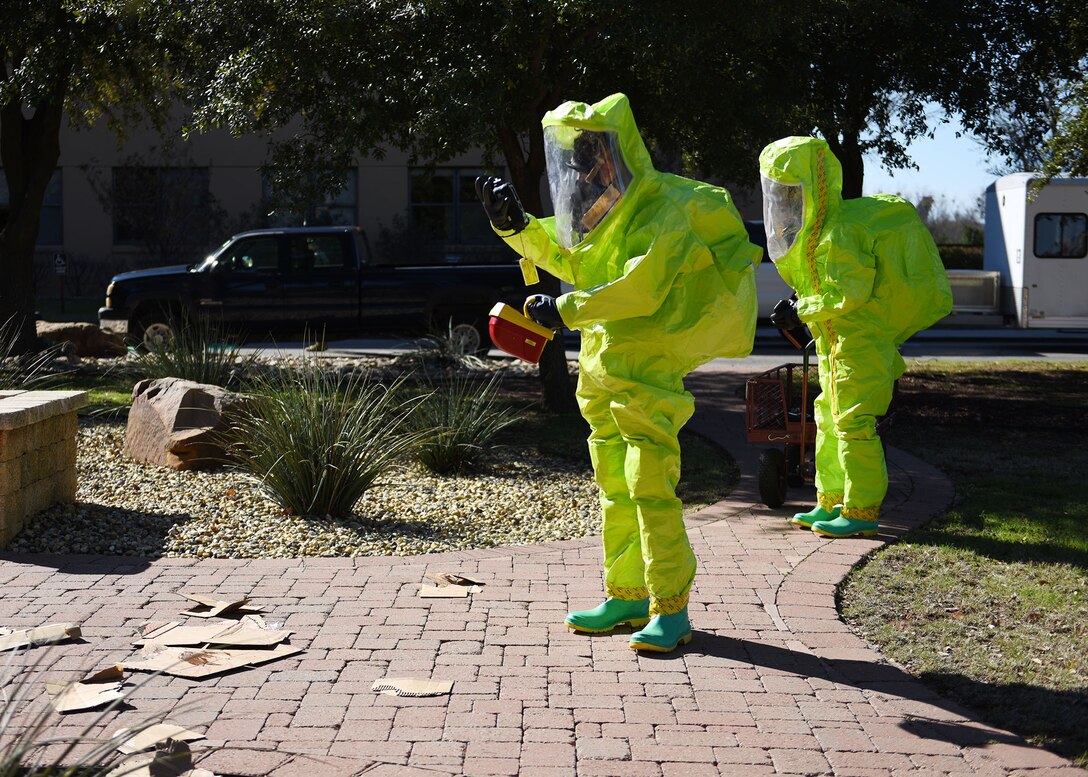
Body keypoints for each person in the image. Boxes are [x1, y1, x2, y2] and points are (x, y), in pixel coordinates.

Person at [476, 93, 759, 652]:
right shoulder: (601, 213)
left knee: (651, 487)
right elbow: (572, 260)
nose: (584, 170)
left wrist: (565, 311)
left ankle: (671, 609)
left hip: (648, 367)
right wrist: (516, 229)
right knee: (614, 487)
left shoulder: (662, 210)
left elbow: (641, 286)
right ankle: (626, 595)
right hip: (603, 367)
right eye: (577, 160)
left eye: (592, 156)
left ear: (619, 152)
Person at [759, 136, 952, 538]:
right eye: (780, 191)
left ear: (815, 185)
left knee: (853, 425)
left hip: (861, 345)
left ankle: (862, 511)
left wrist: (802, 310)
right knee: (828, 421)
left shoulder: (842, 230)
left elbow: (851, 292)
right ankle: (830, 502)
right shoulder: (820, 234)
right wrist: (799, 303)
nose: (785, 199)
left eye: (792, 189)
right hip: (836, 346)